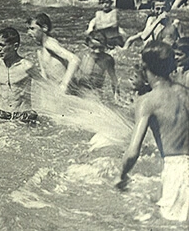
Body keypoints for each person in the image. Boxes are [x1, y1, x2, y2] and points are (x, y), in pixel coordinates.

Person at [116, 42, 189, 223]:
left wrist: (121, 176)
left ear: (145, 67)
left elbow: (133, 152)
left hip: (176, 169)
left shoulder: (147, 101)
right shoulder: (185, 92)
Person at [0, 28, 38, 124]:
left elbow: (45, 88)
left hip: (23, 116)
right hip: (2, 115)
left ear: (15, 46)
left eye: (2, 45)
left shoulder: (27, 67)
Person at [26, 13, 79, 92]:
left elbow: (74, 60)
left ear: (44, 28)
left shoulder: (49, 43)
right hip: (55, 90)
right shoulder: (40, 51)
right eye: (28, 29)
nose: (28, 33)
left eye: (32, 29)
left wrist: (64, 85)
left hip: (67, 90)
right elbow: (45, 77)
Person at [69, 33, 119, 98]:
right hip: (80, 87)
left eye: (100, 48)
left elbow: (114, 79)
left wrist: (116, 94)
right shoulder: (81, 55)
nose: (97, 51)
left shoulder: (107, 59)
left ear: (105, 47)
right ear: (88, 45)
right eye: (94, 47)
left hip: (95, 90)